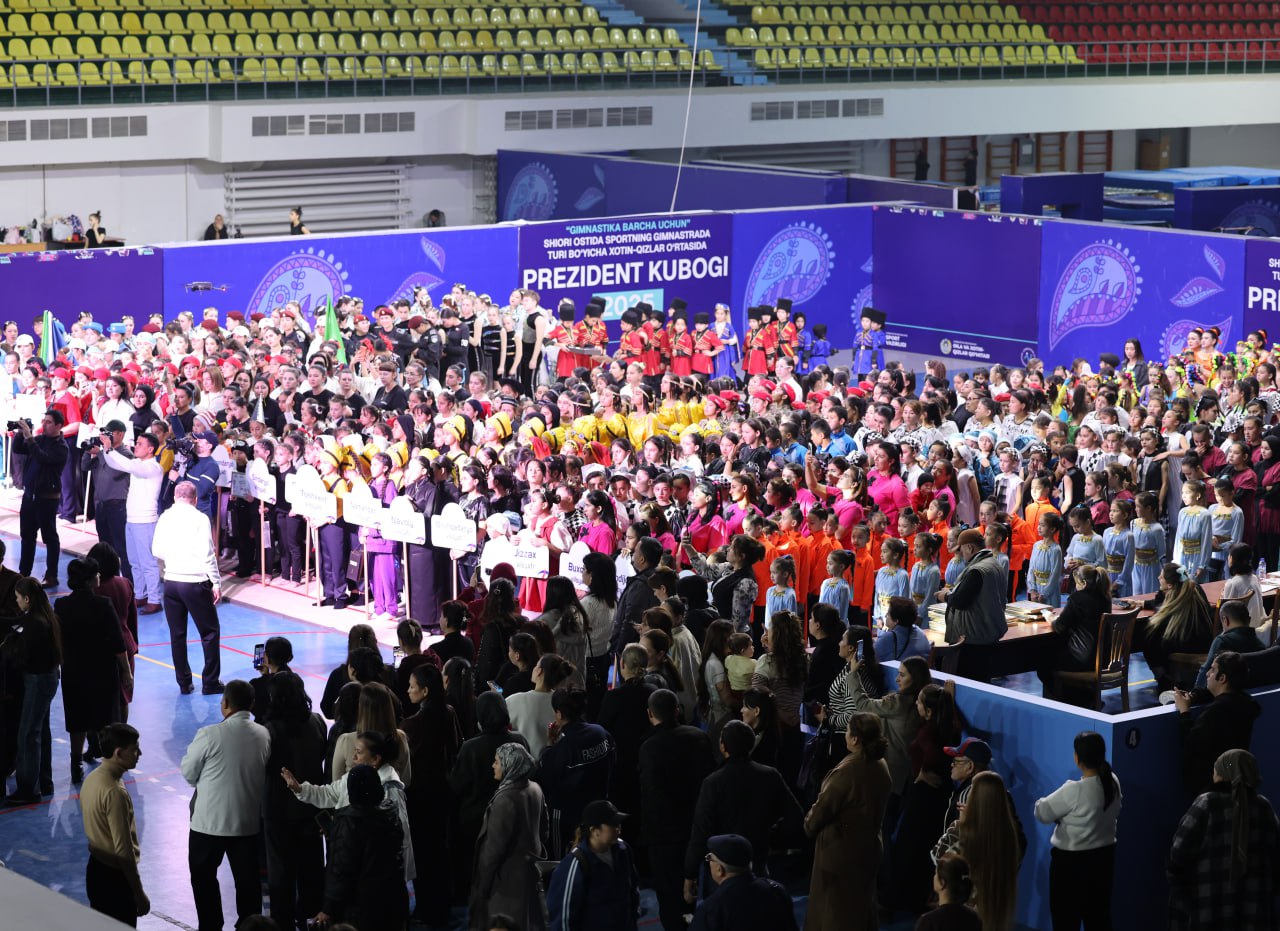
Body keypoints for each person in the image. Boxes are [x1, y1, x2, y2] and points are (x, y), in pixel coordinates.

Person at [179, 679, 272, 931]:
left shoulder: (210, 734)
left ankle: (211, 926)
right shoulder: (263, 735)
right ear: (252, 704)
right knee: (248, 883)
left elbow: (188, 773)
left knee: (204, 879)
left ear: (225, 703)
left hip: (208, 825)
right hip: (246, 824)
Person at [684, 720, 804, 900]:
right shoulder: (769, 775)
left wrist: (690, 874)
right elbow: (795, 817)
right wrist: (772, 838)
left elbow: (700, 832)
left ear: (723, 747)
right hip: (758, 861)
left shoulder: (713, 783)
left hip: (722, 868)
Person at [1168, 749, 1280, 931]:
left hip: (1207, 910)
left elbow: (1178, 853)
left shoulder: (1207, 803)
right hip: (1254, 913)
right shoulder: (1264, 808)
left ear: (1224, 772)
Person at [804, 712, 893, 931]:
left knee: (835, 913)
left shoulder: (848, 771)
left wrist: (808, 826)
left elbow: (822, 809)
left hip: (840, 853)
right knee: (861, 907)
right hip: (869, 848)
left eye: (847, 731)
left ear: (854, 739)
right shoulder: (881, 764)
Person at [639, 688, 718, 931]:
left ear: (650, 714)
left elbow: (650, 796)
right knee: (696, 891)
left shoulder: (649, 747)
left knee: (670, 897)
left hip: (664, 835)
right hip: (697, 827)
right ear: (677, 711)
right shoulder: (699, 737)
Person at [1033, 731, 1122, 931]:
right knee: (1099, 920)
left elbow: (1041, 812)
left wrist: (1062, 818)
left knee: (1065, 921)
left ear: (1077, 757)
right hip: (1104, 861)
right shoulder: (1113, 782)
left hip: (1070, 867)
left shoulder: (1074, 790)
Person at [261, 672, 327, 931]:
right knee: (311, 868)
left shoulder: (268, 731)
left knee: (280, 872)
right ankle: (311, 920)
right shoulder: (317, 722)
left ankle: (282, 923)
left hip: (278, 809)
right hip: (311, 807)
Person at [56, 557, 130, 786]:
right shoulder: (103, 605)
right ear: (90, 580)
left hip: (73, 670)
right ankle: (109, 763)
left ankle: (75, 763)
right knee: (105, 717)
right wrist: (127, 673)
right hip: (102, 670)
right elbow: (118, 645)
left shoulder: (61, 605)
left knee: (77, 719)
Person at [449, 691, 530, 901]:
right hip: (514, 819)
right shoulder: (519, 740)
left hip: (476, 824)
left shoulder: (470, 748)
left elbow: (456, 787)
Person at [315, 764, 409, 931]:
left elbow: (341, 869)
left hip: (360, 908)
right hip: (392, 902)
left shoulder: (349, 822)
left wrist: (328, 908)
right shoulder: (390, 812)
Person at [153, 480, 224, 695]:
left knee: (177, 635)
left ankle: (184, 683)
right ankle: (210, 682)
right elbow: (208, 553)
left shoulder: (165, 517)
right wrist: (216, 582)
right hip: (195, 582)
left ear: (175, 497)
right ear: (195, 500)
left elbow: (156, 550)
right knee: (209, 632)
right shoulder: (200, 518)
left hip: (171, 582)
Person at [471, 742, 548, 931]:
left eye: (497, 761)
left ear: (510, 764)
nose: (493, 766)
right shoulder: (536, 789)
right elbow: (544, 831)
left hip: (506, 885)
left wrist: (483, 887)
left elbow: (493, 850)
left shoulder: (505, 799)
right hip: (530, 876)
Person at [79, 723, 148, 927]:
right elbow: (124, 851)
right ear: (118, 753)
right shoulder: (115, 792)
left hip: (95, 869)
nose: (139, 754)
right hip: (115, 880)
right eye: (134, 749)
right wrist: (138, 892)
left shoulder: (92, 778)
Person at [1, 576, 61, 804]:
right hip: (45, 680)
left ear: (27, 599)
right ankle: (43, 782)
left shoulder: (35, 625)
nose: (16, 602)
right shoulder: (42, 616)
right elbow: (14, 622)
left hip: (38, 682)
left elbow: (21, 652)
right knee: (40, 732)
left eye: (18, 598)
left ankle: (27, 789)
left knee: (27, 735)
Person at [538, 687, 616, 856]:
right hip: (598, 810)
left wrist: (550, 745)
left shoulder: (563, 749)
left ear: (559, 714)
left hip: (568, 817)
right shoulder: (601, 733)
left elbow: (548, 778)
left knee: (562, 858)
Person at [545, 798, 641, 931]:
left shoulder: (623, 850)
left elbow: (632, 891)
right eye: (612, 825)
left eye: (618, 823)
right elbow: (563, 918)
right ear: (595, 831)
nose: (618, 828)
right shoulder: (576, 864)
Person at [1173, 651, 1261, 795]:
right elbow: (1211, 693)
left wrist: (1184, 711)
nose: (1207, 673)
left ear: (1222, 678)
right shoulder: (1244, 703)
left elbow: (1191, 742)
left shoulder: (1216, 711)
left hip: (1210, 785)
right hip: (1234, 777)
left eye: (1213, 670)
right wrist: (1193, 696)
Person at [687, 833, 798, 931]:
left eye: (709, 858)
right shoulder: (777, 891)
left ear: (720, 870)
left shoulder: (712, 909)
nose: (709, 862)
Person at [105, 431, 164, 614]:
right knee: (134, 562)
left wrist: (110, 449)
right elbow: (115, 464)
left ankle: (154, 600)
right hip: (132, 520)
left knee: (148, 563)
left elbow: (128, 465)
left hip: (145, 521)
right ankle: (140, 595)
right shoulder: (138, 464)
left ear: (150, 449)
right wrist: (104, 450)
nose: (135, 446)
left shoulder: (153, 467)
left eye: (140, 444)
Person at [13, 409, 68, 587]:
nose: (45, 424)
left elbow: (42, 458)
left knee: (49, 537)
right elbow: (18, 449)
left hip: (47, 499)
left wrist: (30, 438)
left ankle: (52, 575)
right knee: (27, 536)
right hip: (30, 496)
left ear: (59, 425)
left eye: (49, 422)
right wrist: (20, 434)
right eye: (44, 421)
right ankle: (24, 573)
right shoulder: (40, 439)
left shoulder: (61, 447)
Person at [81, 420, 133, 582]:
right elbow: (84, 466)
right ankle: (110, 582)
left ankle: (128, 584)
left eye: (110, 433)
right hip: (101, 506)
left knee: (121, 548)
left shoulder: (126, 455)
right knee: (105, 549)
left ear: (120, 434)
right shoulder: (102, 453)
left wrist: (101, 453)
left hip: (117, 506)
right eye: (105, 433)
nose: (106, 436)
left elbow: (114, 473)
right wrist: (88, 451)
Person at [939, 528, 1009, 647]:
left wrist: (945, 596)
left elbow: (959, 601)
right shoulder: (993, 562)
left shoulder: (977, 570)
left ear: (970, 548)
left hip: (975, 637)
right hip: (988, 630)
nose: (961, 554)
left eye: (961, 549)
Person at [914, 854, 981, 931]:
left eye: (936, 873)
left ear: (942, 883)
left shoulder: (927, 922)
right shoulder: (974, 918)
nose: (934, 876)